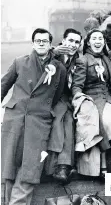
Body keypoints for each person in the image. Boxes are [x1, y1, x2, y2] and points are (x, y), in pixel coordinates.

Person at [1, 28, 66, 205]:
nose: (41, 43)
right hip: (15, 120)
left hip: (39, 122)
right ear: (33, 43)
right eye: (38, 40)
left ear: (50, 44)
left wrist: (45, 111)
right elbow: (3, 86)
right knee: (8, 168)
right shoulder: (19, 62)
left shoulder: (59, 68)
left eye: (45, 41)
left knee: (29, 170)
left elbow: (58, 93)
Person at [72, 29, 111, 177]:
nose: (98, 41)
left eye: (100, 38)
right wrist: (80, 98)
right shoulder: (83, 60)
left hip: (109, 98)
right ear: (88, 42)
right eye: (94, 38)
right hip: (92, 99)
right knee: (103, 122)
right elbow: (77, 86)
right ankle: (103, 164)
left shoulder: (107, 59)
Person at [44, 28, 82, 184]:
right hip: (48, 98)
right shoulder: (54, 53)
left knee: (68, 121)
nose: (73, 45)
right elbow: (36, 58)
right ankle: (58, 166)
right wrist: (52, 51)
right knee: (59, 119)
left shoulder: (78, 59)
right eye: (70, 41)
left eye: (77, 42)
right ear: (64, 40)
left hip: (67, 98)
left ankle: (62, 166)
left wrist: (77, 97)